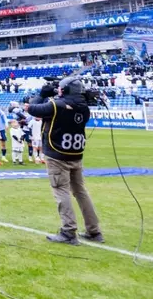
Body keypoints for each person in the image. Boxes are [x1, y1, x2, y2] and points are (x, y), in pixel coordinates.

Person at [25, 79, 103, 245]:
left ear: (65, 90)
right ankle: (94, 230)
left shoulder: (56, 105)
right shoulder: (84, 108)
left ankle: (68, 231)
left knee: (61, 191)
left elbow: (31, 108)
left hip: (57, 154)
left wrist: (42, 94)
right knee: (81, 192)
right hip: (76, 154)